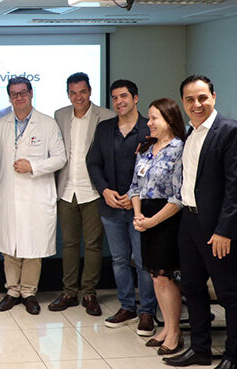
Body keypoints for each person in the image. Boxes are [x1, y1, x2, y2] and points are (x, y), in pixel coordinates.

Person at [164, 75, 237, 369]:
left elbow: (234, 188)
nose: (197, 104)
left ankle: (233, 355)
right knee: (192, 288)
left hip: (217, 228)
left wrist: (224, 230)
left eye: (202, 98)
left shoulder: (228, 131)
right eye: (190, 99)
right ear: (183, 102)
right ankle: (200, 349)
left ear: (214, 97)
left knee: (229, 293)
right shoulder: (189, 134)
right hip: (190, 223)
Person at [0, 77, 66, 315]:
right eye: (14, 94)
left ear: (31, 94)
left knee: (33, 246)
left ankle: (29, 292)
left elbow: (60, 158)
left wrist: (32, 166)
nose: (19, 98)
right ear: (9, 97)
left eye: (23, 93)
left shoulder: (47, 124)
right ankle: (12, 291)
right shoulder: (0, 124)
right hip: (8, 193)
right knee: (9, 246)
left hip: (36, 193)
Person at [87, 79, 157, 337]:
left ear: (136, 98)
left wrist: (134, 195)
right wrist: (104, 190)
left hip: (142, 208)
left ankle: (147, 311)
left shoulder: (149, 128)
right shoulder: (105, 128)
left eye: (124, 96)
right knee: (118, 260)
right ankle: (127, 307)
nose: (119, 101)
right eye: (115, 97)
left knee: (142, 260)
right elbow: (93, 163)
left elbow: (155, 168)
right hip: (111, 206)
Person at [50, 72, 116, 316]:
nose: (78, 97)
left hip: (94, 191)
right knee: (68, 244)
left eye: (82, 91)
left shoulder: (107, 116)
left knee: (93, 244)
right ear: (68, 94)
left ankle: (89, 292)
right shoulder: (60, 115)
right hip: (66, 189)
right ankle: (69, 291)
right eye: (73, 92)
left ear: (90, 92)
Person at [127, 98, 185, 356]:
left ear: (169, 120)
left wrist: (152, 221)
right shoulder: (146, 149)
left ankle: (174, 332)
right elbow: (135, 187)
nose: (148, 123)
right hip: (145, 217)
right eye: (149, 118)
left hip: (167, 218)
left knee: (164, 276)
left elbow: (178, 196)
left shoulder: (179, 149)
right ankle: (166, 328)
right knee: (154, 275)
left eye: (153, 119)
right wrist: (139, 216)